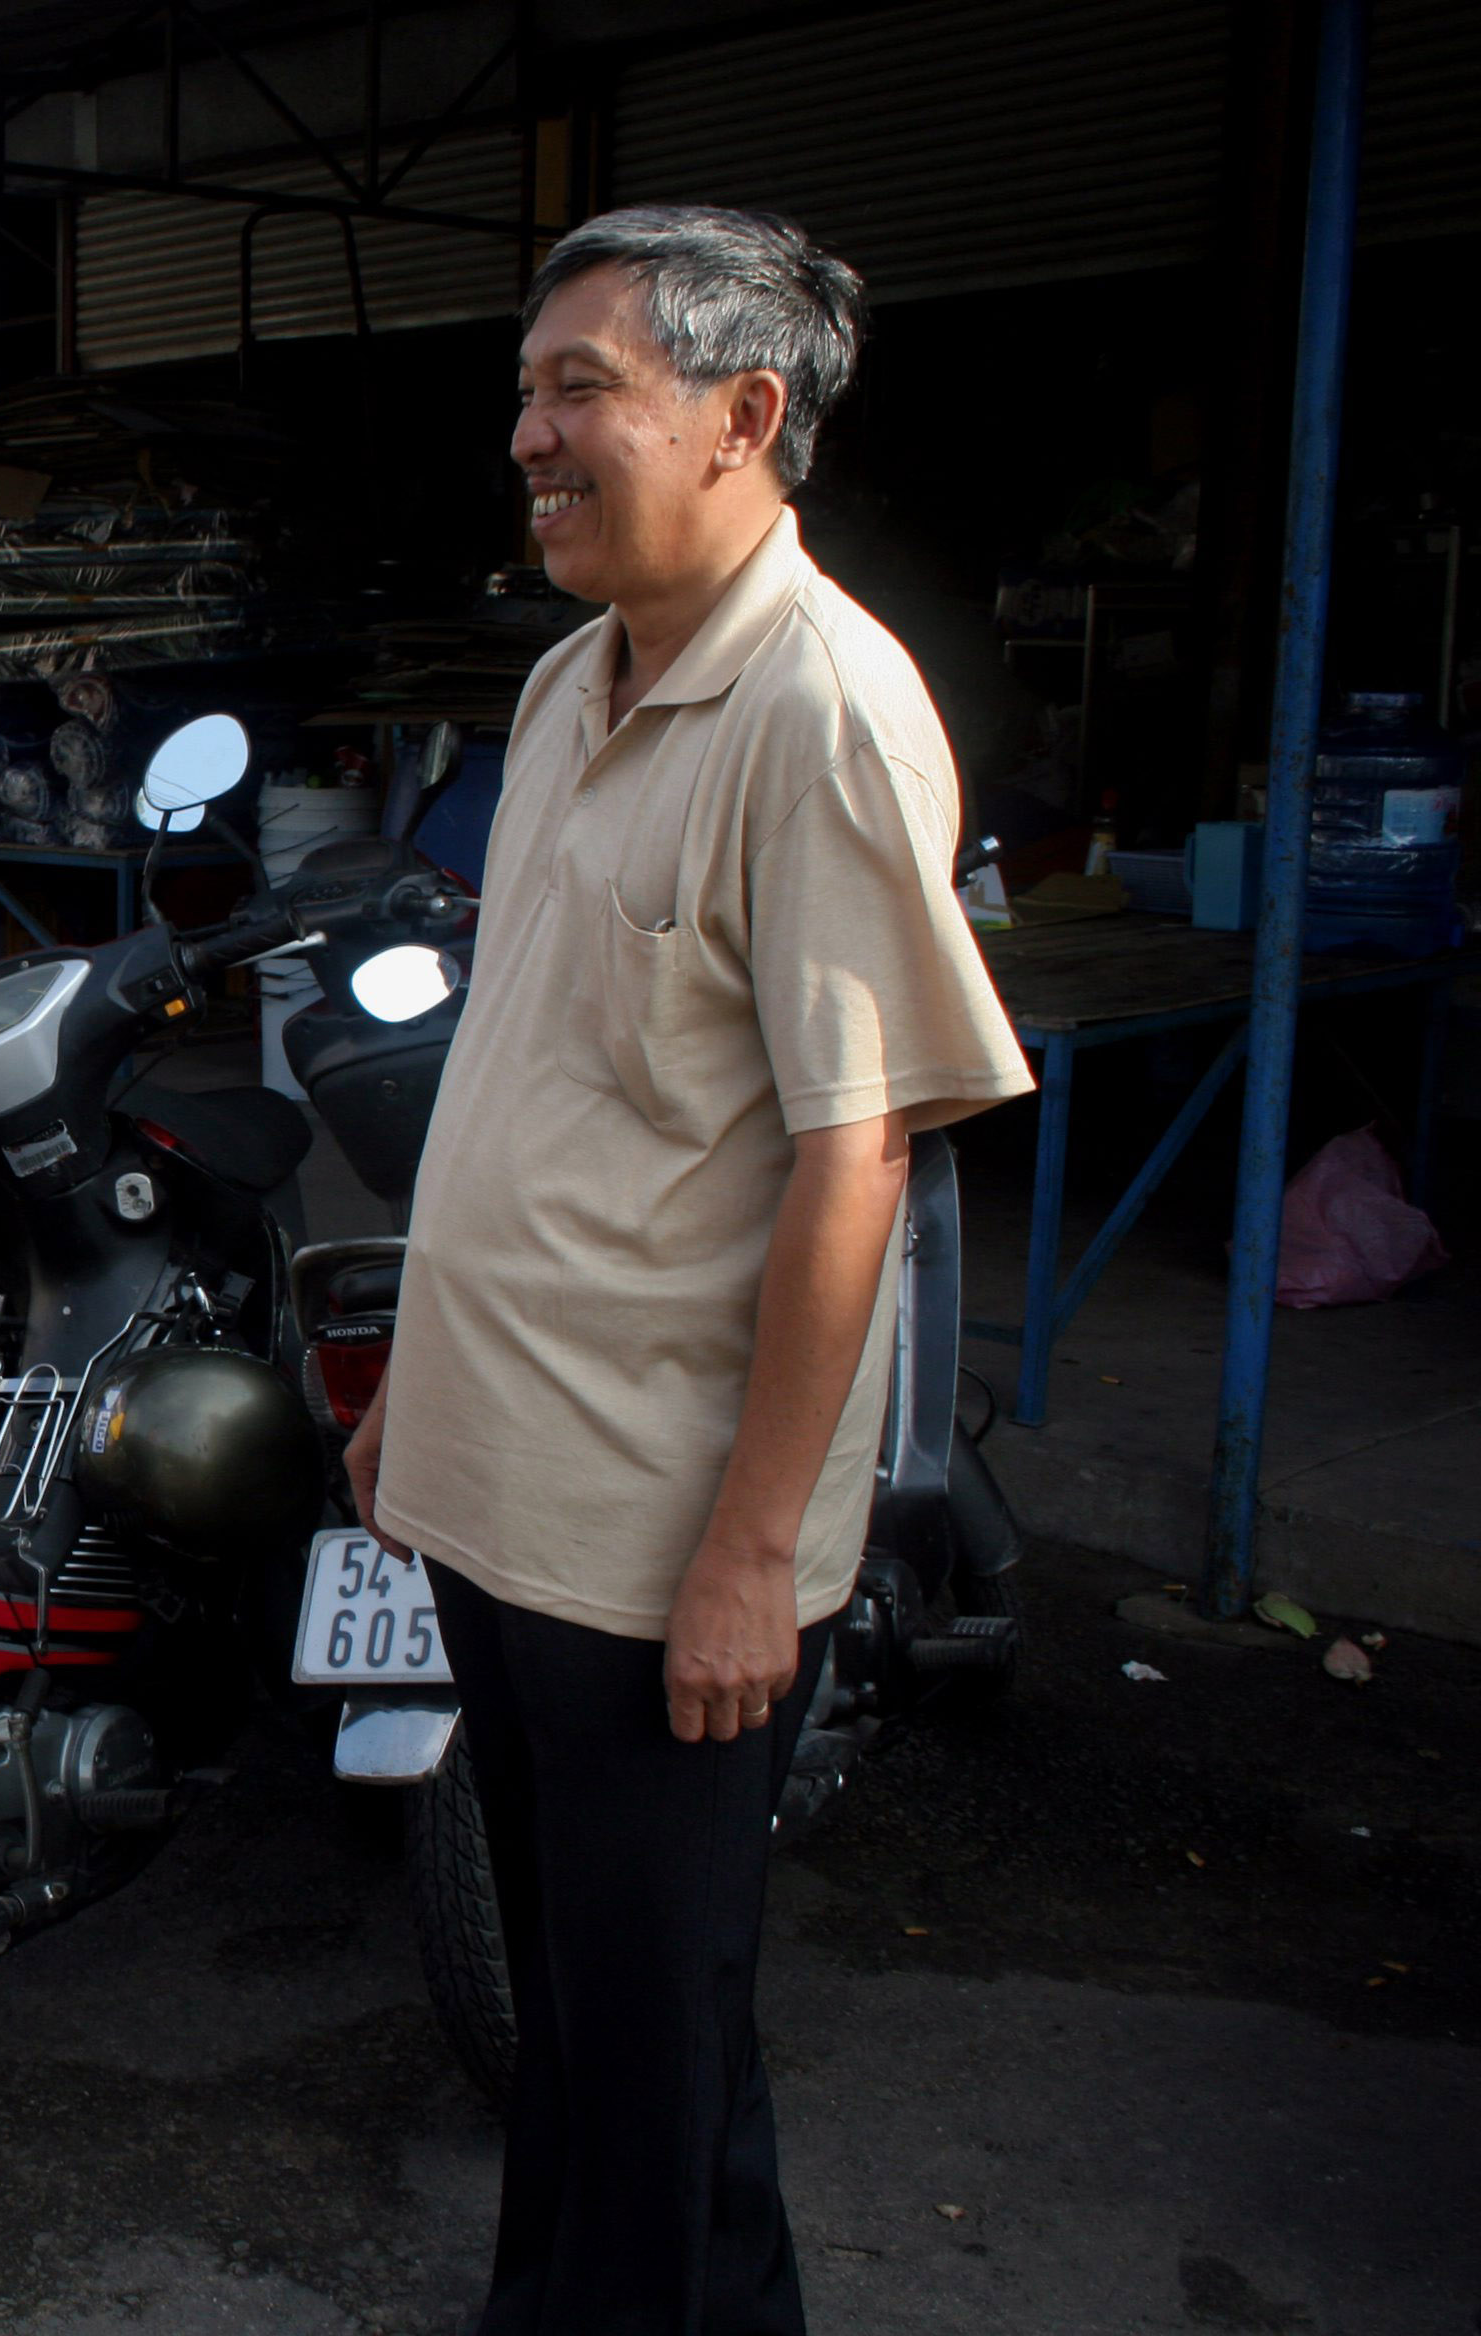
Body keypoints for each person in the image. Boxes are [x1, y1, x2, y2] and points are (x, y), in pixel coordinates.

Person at [341, 206, 1031, 2336]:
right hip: (505, 1502)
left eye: (581, 390)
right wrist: (409, 1412)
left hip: (660, 1551)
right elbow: (549, 1077)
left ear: (745, 418)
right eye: (528, 389)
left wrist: (754, 1549)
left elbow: (857, 1162)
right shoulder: (568, 681)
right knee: (595, 2040)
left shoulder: (819, 712)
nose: (529, 434)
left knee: (647, 2065)